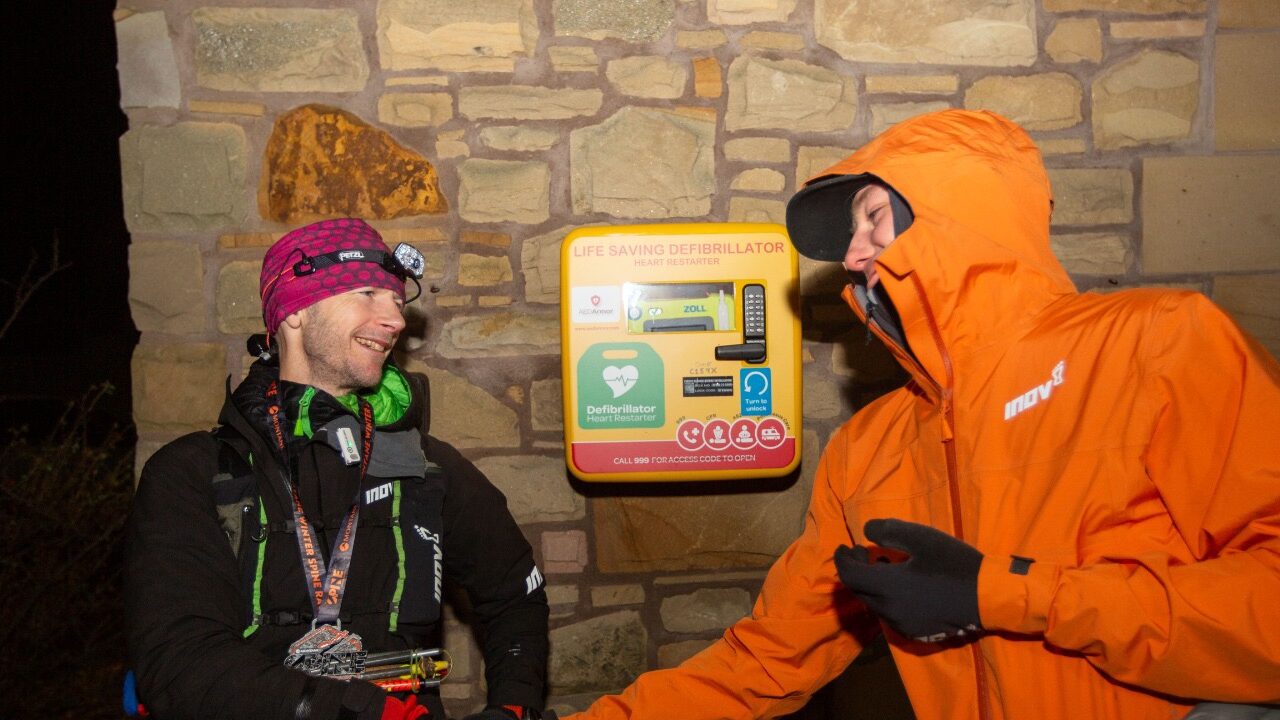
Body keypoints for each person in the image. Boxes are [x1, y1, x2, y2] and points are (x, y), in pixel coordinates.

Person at [561, 110, 1280, 719]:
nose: (851, 256)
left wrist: (1005, 593)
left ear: (960, 214)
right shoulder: (868, 447)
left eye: (873, 217)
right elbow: (768, 658)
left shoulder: (1154, 341)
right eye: (851, 235)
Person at [126, 218, 550, 720]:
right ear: (295, 312)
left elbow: (516, 594)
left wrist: (514, 707)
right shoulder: (190, 473)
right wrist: (367, 713)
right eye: (368, 293)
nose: (393, 319)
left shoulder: (428, 468)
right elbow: (179, 661)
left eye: (396, 300)